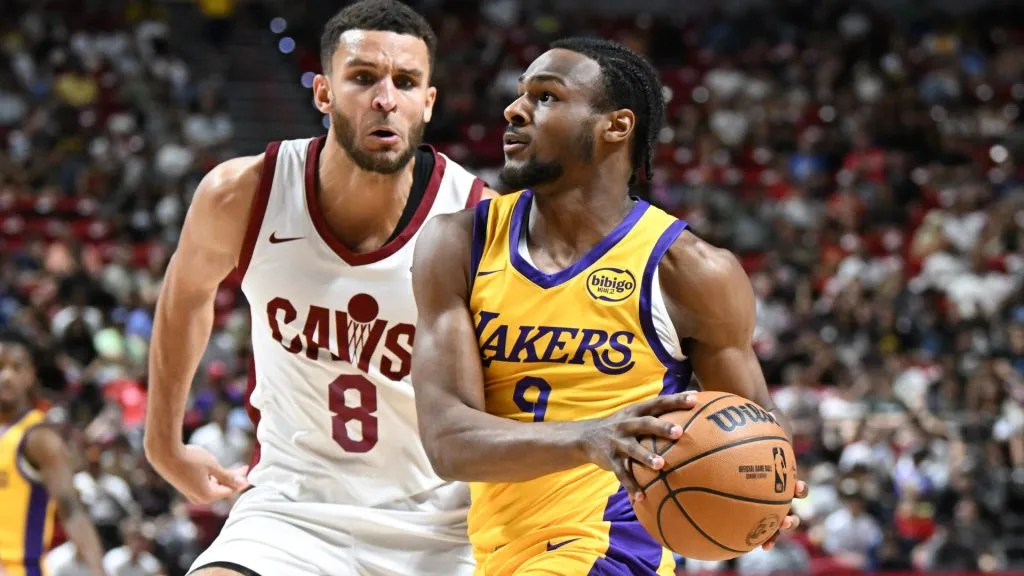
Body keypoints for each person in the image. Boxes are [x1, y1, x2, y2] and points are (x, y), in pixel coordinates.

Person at [411, 37, 807, 575]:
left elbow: (754, 414)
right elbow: (448, 442)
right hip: (499, 555)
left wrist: (764, 482)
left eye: (546, 96)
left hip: (615, 552)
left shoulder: (690, 271)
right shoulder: (459, 244)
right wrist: (589, 437)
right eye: (520, 93)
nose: (514, 109)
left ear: (616, 126)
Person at [142, 1, 495, 575]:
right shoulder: (243, 192)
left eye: (406, 83)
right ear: (323, 93)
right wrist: (163, 442)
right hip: (292, 512)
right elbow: (185, 297)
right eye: (363, 79)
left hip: (445, 527)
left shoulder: (480, 220)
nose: (386, 99)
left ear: (427, 103)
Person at [0, 331, 107, 576]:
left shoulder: (38, 437)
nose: (6, 376)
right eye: (0, 367)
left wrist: (97, 570)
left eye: (16, 368)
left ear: (30, 376)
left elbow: (71, 509)